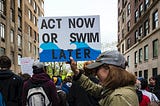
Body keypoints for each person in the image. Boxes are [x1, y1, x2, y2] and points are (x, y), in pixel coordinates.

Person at [69, 50, 139, 106]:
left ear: (108, 69)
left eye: (97, 70)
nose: (95, 74)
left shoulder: (119, 97)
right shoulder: (115, 89)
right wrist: (76, 72)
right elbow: (95, 89)